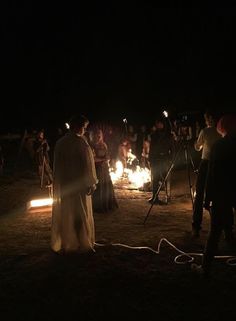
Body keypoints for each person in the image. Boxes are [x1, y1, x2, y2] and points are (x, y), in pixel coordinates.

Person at [192, 114, 236, 276]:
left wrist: (208, 198)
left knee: (215, 229)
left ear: (221, 128)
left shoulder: (219, 146)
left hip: (222, 191)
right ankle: (230, 234)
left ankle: (205, 268)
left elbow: (212, 174)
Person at [51, 115, 98, 254]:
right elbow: (88, 165)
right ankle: (82, 242)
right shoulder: (81, 144)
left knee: (68, 213)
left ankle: (68, 241)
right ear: (78, 127)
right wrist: (91, 183)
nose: (85, 130)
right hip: (79, 186)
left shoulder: (60, 143)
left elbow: (57, 167)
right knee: (80, 213)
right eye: (84, 127)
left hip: (65, 185)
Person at [192, 110, 221, 237]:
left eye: (206, 118)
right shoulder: (221, 132)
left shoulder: (205, 131)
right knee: (216, 196)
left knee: (199, 195)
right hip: (218, 165)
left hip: (206, 164)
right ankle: (222, 229)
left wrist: (197, 144)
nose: (206, 121)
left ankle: (196, 226)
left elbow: (198, 147)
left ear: (210, 119)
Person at [148, 117, 174, 205]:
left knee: (166, 178)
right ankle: (155, 197)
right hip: (155, 159)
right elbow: (151, 148)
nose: (158, 125)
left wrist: (171, 159)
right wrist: (150, 158)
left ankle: (168, 197)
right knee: (155, 178)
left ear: (163, 124)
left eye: (159, 123)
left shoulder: (169, 135)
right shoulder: (154, 135)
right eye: (157, 123)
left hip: (164, 159)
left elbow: (172, 149)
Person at [91, 129, 118, 213]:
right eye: (97, 135)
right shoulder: (92, 146)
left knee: (106, 186)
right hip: (97, 168)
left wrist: (107, 159)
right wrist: (103, 159)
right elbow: (92, 159)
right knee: (99, 187)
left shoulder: (104, 145)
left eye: (100, 135)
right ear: (94, 136)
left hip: (105, 169)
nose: (98, 136)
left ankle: (107, 204)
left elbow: (107, 156)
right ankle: (98, 206)